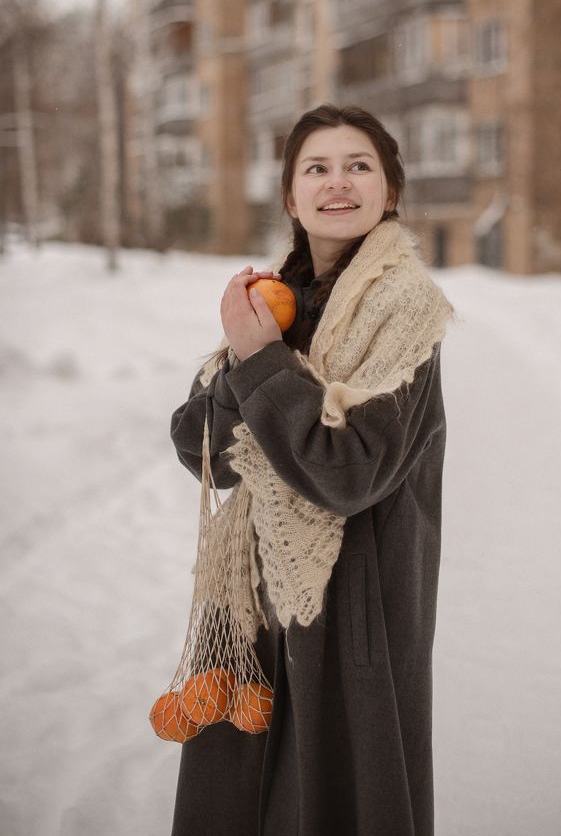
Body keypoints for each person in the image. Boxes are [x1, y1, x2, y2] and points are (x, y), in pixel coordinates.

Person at [169, 103, 453, 836]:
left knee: (328, 803)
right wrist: (246, 358)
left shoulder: (405, 310)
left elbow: (348, 473)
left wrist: (261, 364)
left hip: (352, 615)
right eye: (315, 168)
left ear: (389, 189)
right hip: (254, 600)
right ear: (290, 197)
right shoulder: (282, 303)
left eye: (358, 165)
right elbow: (200, 450)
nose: (337, 183)